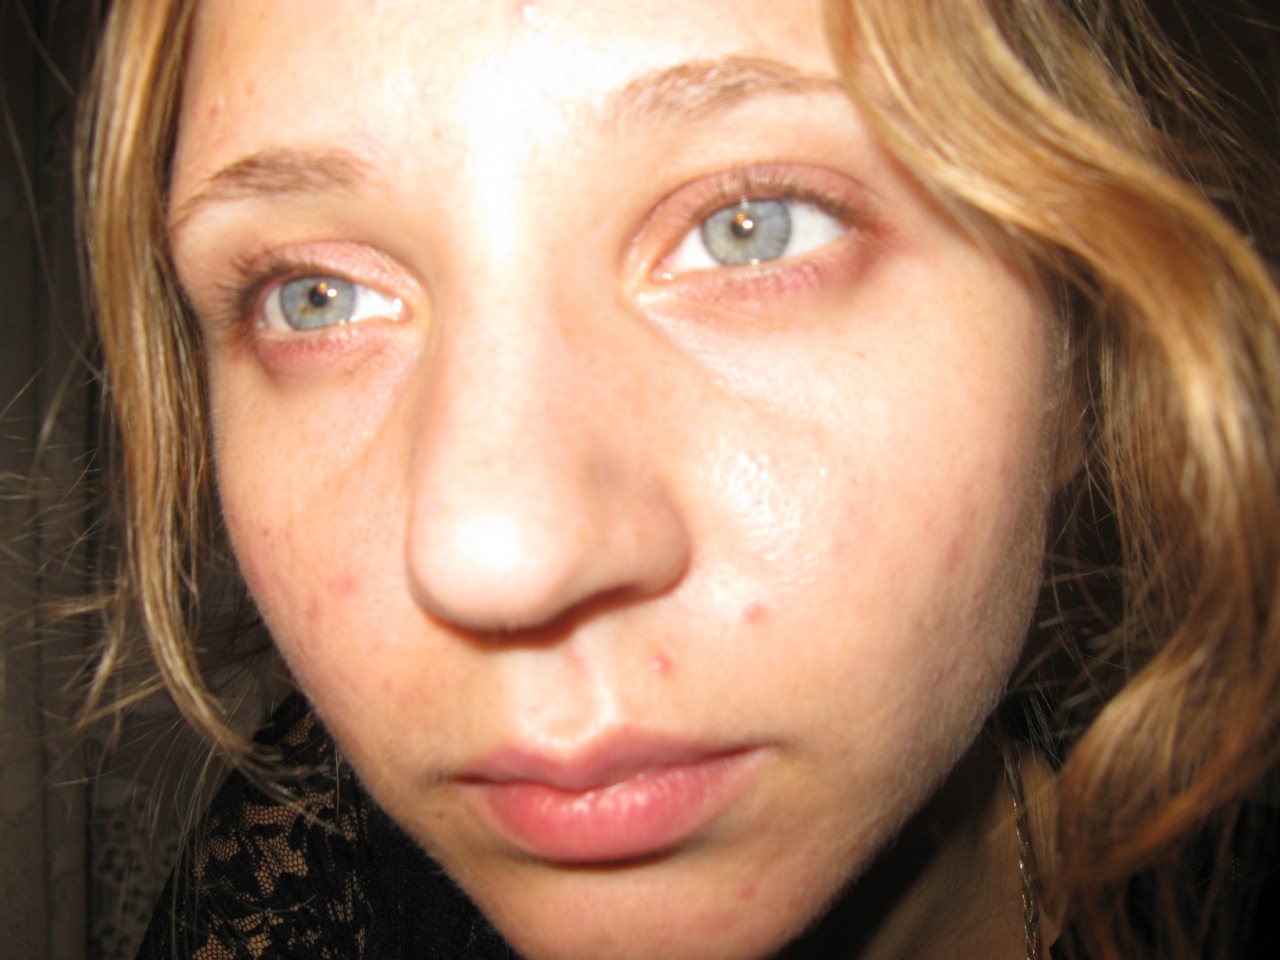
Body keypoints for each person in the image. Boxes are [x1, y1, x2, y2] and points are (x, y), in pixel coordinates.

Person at [76, 0, 1279, 957]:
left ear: (1079, 356)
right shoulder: (273, 889)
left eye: (752, 225)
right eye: (316, 295)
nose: (497, 557)